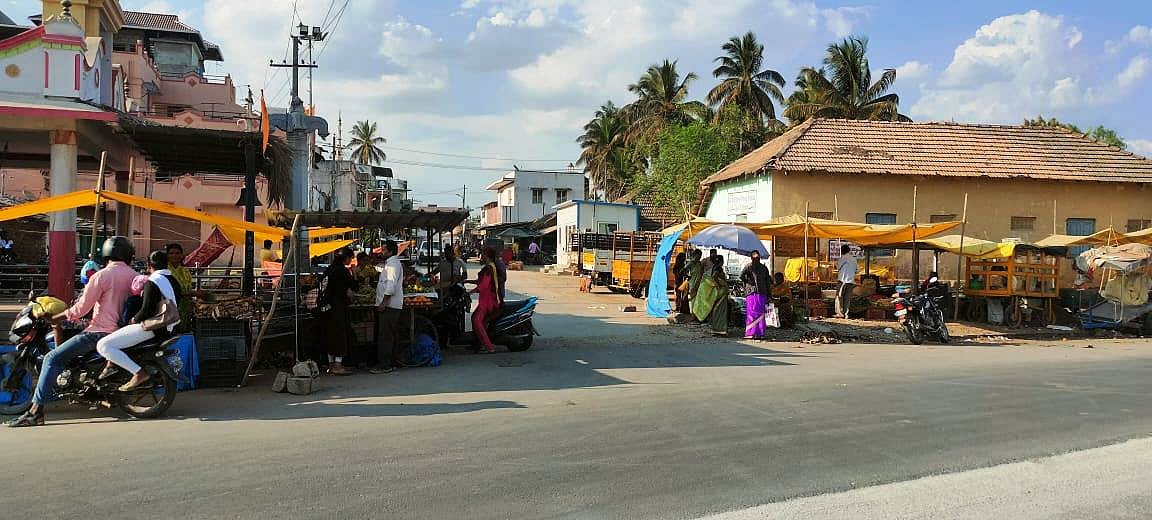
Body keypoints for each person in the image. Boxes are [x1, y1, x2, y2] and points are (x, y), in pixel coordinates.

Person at [9, 237, 137, 428]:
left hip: (99, 332)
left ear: (107, 253)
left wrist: (56, 318)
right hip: (121, 332)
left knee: (51, 358)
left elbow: (81, 309)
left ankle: (35, 412)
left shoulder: (102, 276)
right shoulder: (134, 275)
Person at [95, 250, 183, 391]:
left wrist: (133, 320)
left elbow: (146, 310)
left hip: (155, 328)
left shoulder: (152, 282)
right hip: (171, 328)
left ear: (149, 265)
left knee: (103, 345)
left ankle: (139, 373)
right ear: (167, 264)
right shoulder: (174, 281)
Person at [322, 249, 357, 375]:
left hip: (327, 307)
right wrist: (354, 272)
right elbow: (354, 285)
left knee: (330, 335)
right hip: (339, 307)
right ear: (346, 258)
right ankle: (338, 365)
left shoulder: (330, 268)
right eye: (350, 258)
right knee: (340, 335)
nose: (350, 261)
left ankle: (330, 365)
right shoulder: (342, 270)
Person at [371, 240, 404, 374]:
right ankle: (392, 362)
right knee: (389, 335)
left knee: (386, 336)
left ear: (390, 251)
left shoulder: (393, 265)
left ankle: (385, 365)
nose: (382, 252)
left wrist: (383, 303)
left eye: (384, 250)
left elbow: (391, 286)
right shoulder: (389, 264)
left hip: (390, 306)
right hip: (389, 305)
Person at [466, 247, 501, 353]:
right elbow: (481, 282)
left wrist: (471, 292)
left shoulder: (489, 268)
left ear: (487, 256)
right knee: (474, 318)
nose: (481, 256)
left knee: (477, 321)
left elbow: (484, 286)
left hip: (488, 301)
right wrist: (467, 281)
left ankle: (489, 347)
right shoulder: (490, 267)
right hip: (486, 299)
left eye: (482, 254)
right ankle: (478, 344)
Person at [691, 258, 730, 336]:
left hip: (717, 294)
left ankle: (716, 329)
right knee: (721, 312)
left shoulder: (713, 267)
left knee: (716, 311)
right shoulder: (718, 268)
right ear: (721, 262)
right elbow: (714, 276)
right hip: (721, 294)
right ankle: (720, 330)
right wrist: (719, 284)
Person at [740, 251, 772, 339]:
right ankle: (754, 333)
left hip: (758, 293)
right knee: (754, 313)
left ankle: (757, 333)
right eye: (755, 257)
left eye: (757, 257)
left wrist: (769, 295)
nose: (756, 259)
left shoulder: (762, 268)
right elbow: (741, 276)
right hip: (754, 293)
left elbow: (767, 282)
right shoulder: (749, 267)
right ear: (752, 258)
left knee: (758, 313)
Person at [835, 244, 857, 319]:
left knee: (839, 297)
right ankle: (846, 314)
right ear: (849, 250)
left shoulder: (842, 258)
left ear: (842, 251)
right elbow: (857, 270)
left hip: (842, 280)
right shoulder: (854, 259)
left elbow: (838, 267)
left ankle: (840, 313)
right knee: (847, 298)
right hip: (851, 281)